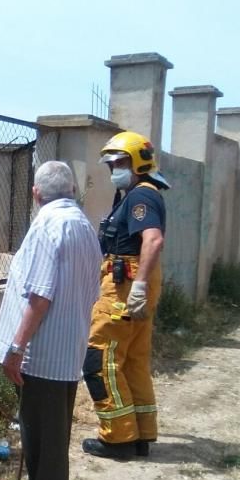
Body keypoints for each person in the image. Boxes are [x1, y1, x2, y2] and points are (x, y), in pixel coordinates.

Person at [0, 161, 101, 480]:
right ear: (71, 190)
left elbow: (39, 297)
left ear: (36, 194)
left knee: (46, 439)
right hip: (65, 349)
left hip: (44, 353)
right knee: (40, 432)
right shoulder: (83, 225)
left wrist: (16, 347)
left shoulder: (49, 226)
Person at [82, 131, 169, 459]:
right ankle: (141, 435)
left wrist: (141, 285)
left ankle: (117, 438)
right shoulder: (138, 193)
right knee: (133, 360)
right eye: (111, 164)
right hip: (133, 282)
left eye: (119, 162)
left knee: (100, 359)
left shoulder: (141, 196)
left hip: (125, 286)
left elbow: (153, 240)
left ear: (138, 162)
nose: (113, 169)